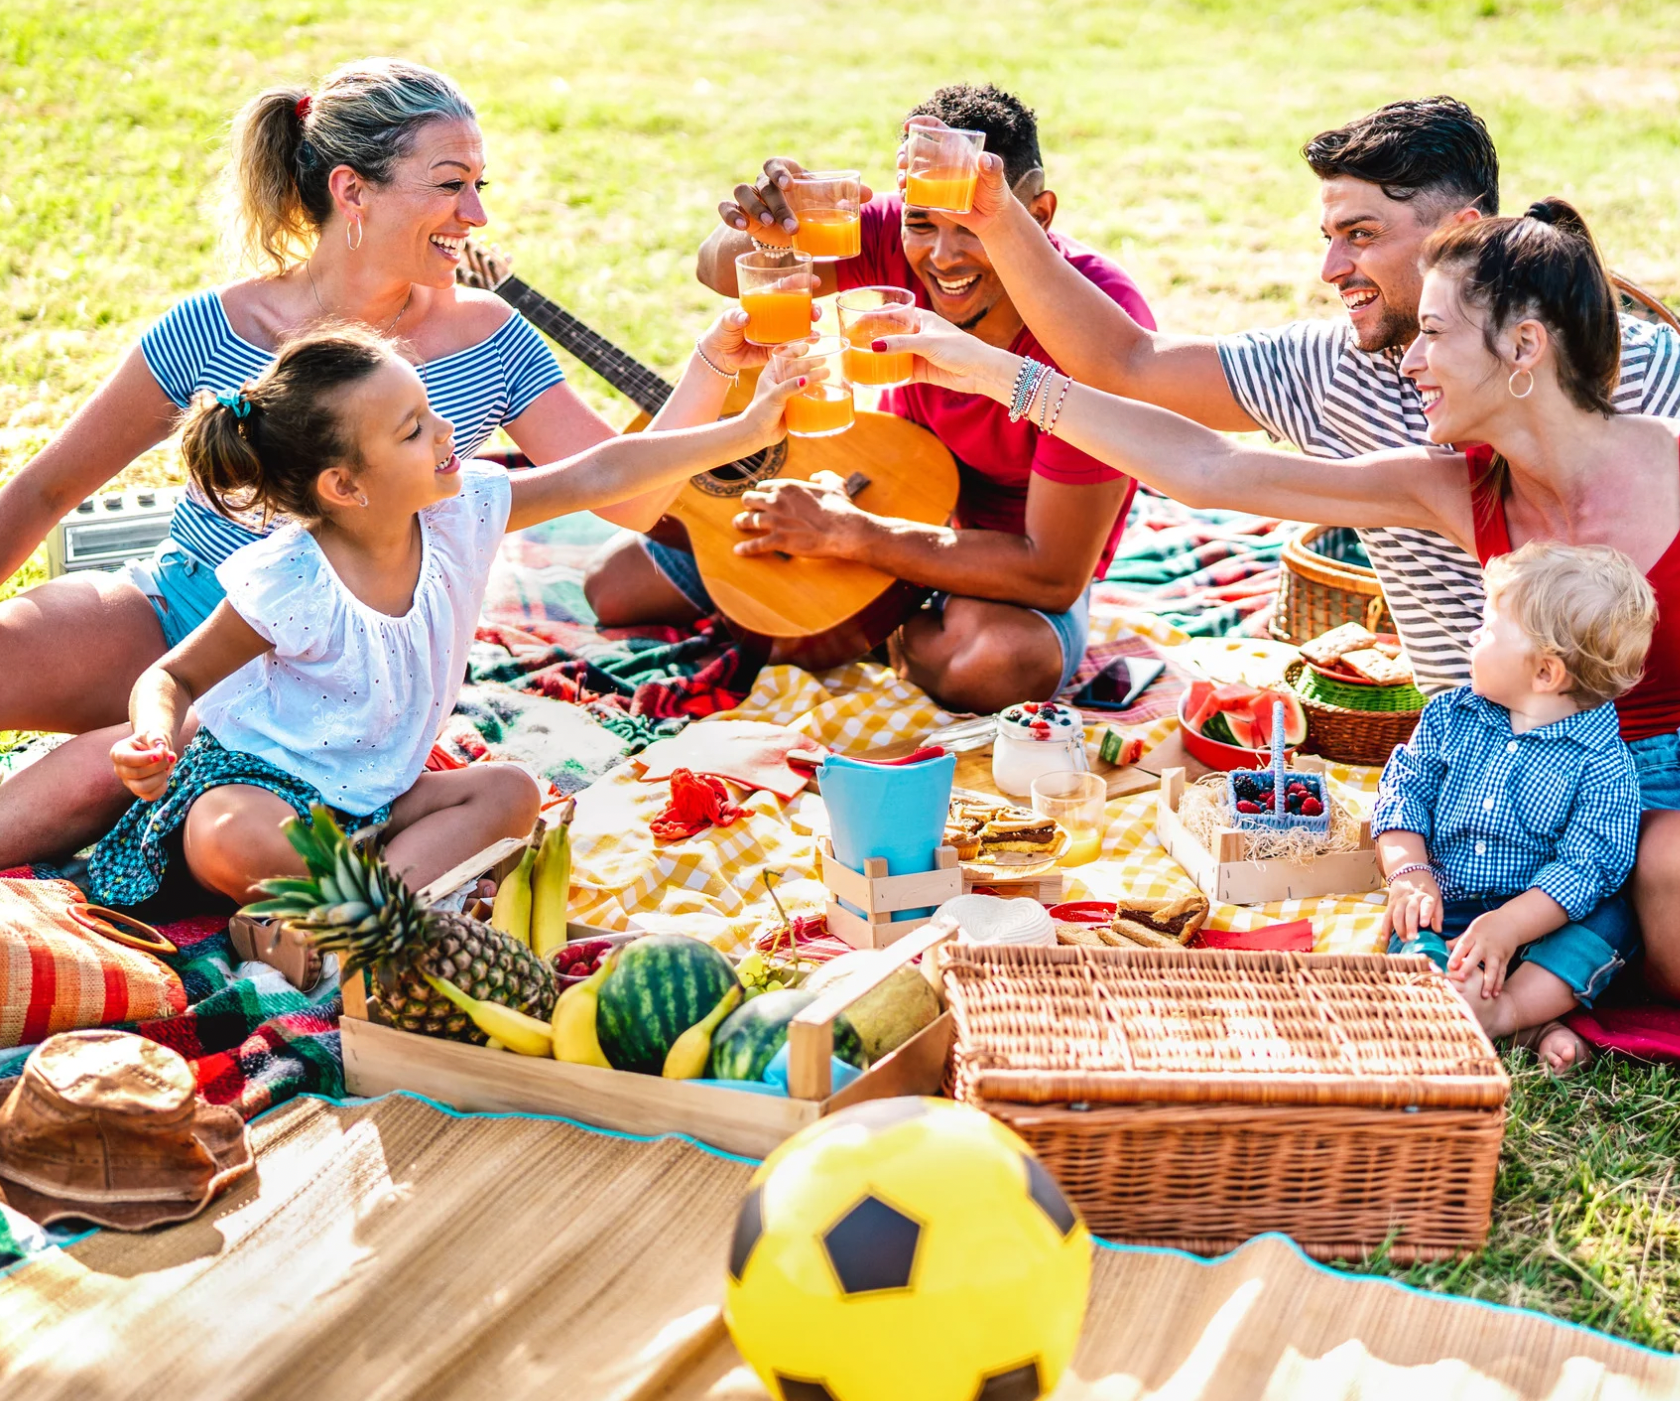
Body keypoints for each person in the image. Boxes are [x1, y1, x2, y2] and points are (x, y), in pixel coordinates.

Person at [877, 199, 1680, 1317]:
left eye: (1434, 333)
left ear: (1523, 346)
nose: (1409, 360)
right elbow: (1207, 471)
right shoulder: (1454, 493)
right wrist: (995, 374)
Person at [924, 94, 1680, 1000]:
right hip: (1535, 723)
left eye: (1358, 233)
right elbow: (1148, 395)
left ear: (1466, 249)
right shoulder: (1351, 386)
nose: (1330, 267)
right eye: (1327, 234)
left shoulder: (1620, 366)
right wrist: (989, 256)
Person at [0, 58, 778, 872]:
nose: (475, 215)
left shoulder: (490, 337)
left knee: (110, 766)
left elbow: (625, 493)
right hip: (191, 606)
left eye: (480, 184)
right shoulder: (214, 326)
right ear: (352, 190)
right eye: (451, 184)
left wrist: (715, 371)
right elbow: (47, 487)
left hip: (336, 684)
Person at [93, 321, 803, 905]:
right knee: (230, 835)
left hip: (377, 803)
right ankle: (383, 903)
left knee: (510, 793)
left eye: (431, 410)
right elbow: (173, 680)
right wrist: (153, 737)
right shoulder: (292, 583)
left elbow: (601, 471)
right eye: (412, 431)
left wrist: (745, 433)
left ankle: (353, 916)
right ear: (344, 485)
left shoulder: (463, 515)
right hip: (262, 791)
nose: (445, 431)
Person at [580, 83, 1154, 713]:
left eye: (973, 227)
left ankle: (852, 628)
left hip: (998, 564)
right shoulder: (886, 233)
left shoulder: (1097, 328)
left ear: (1038, 215)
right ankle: (837, 617)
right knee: (614, 588)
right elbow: (718, 272)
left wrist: (849, 536)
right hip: (881, 480)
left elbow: (1052, 572)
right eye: (922, 224)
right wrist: (768, 233)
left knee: (1000, 664)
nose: (942, 256)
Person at [1375, 543, 1656, 1064]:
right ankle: (1493, 1010)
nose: (1472, 635)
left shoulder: (1603, 763)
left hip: (1544, 922)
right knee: (1415, 927)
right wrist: (1409, 872)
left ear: (1545, 674)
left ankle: (1510, 1012)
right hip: (1450, 903)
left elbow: (1588, 866)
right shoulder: (1449, 717)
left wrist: (1510, 925)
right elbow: (1402, 793)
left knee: (1612, 923)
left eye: (1488, 627)